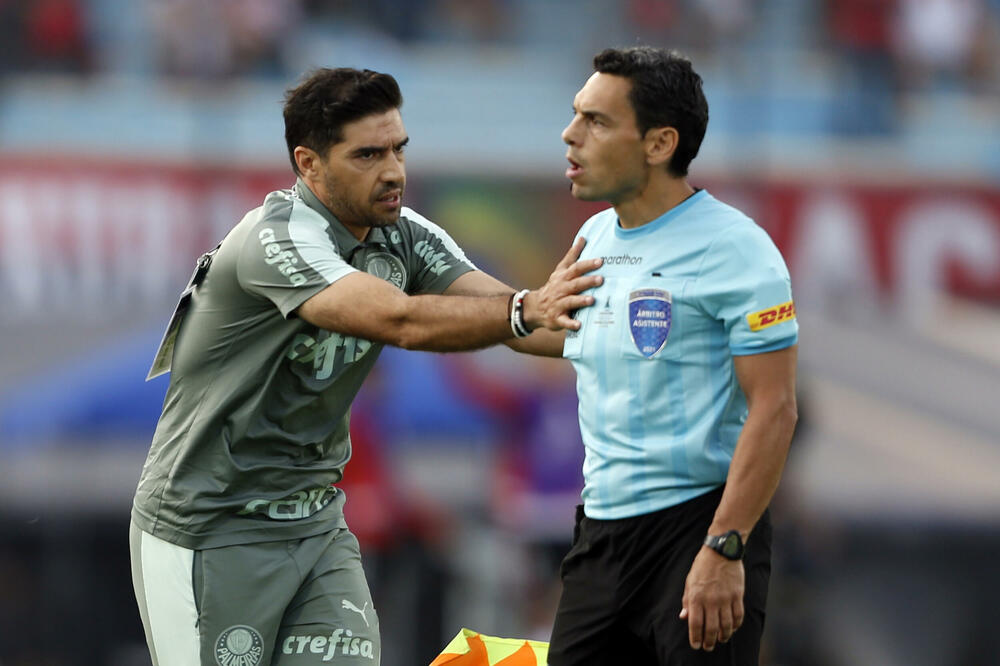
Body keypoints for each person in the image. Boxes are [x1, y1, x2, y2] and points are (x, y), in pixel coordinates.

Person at [128, 67, 601, 666]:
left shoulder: (404, 234)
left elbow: (524, 324)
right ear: (309, 164)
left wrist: (673, 344)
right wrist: (523, 309)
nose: (394, 171)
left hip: (315, 528)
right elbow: (400, 320)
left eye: (400, 148)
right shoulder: (277, 240)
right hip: (206, 531)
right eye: (369, 154)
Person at [546, 47, 799, 665]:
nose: (570, 134)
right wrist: (429, 306)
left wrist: (725, 546)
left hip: (698, 531)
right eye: (576, 115)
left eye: (596, 121)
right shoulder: (594, 238)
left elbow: (776, 408)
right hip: (601, 535)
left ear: (660, 144)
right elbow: (553, 328)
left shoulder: (737, 247)